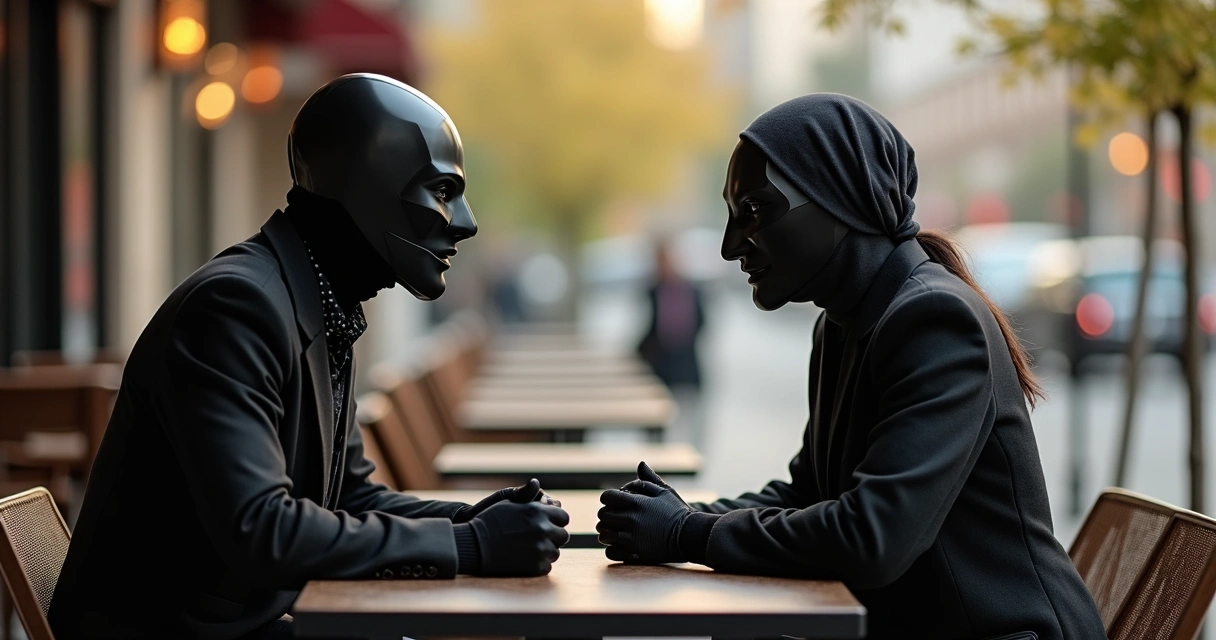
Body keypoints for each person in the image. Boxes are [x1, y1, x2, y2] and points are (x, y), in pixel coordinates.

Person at [48, 74, 570, 640]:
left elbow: (349, 495)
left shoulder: (312, 298)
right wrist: (472, 544)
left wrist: (473, 520)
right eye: (443, 191)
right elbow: (262, 531)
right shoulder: (236, 306)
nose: (465, 222)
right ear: (370, 186)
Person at [596, 94, 1105, 640]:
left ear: (837, 199)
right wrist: (679, 514)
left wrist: (688, 533)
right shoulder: (845, 322)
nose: (728, 246)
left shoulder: (934, 320)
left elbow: (872, 538)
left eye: (754, 211)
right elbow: (807, 494)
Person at [636, 240, 707, 444]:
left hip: (685, 365)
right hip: (660, 367)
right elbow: (648, 328)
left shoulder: (692, 289)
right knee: (657, 428)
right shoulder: (652, 290)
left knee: (688, 425)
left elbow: (700, 324)